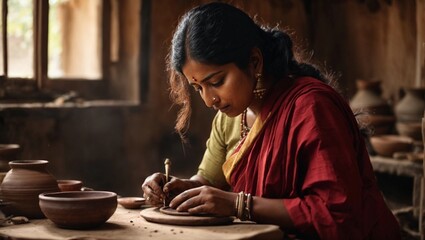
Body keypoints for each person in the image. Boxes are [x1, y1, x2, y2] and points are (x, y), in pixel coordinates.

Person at [141, 2, 401, 239]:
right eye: (198, 88)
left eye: (217, 82)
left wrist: (238, 204)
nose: (209, 100)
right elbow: (209, 184)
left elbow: (335, 214)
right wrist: (177, 190)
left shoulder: (312, 108)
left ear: (254, 62)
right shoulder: (230, 117)